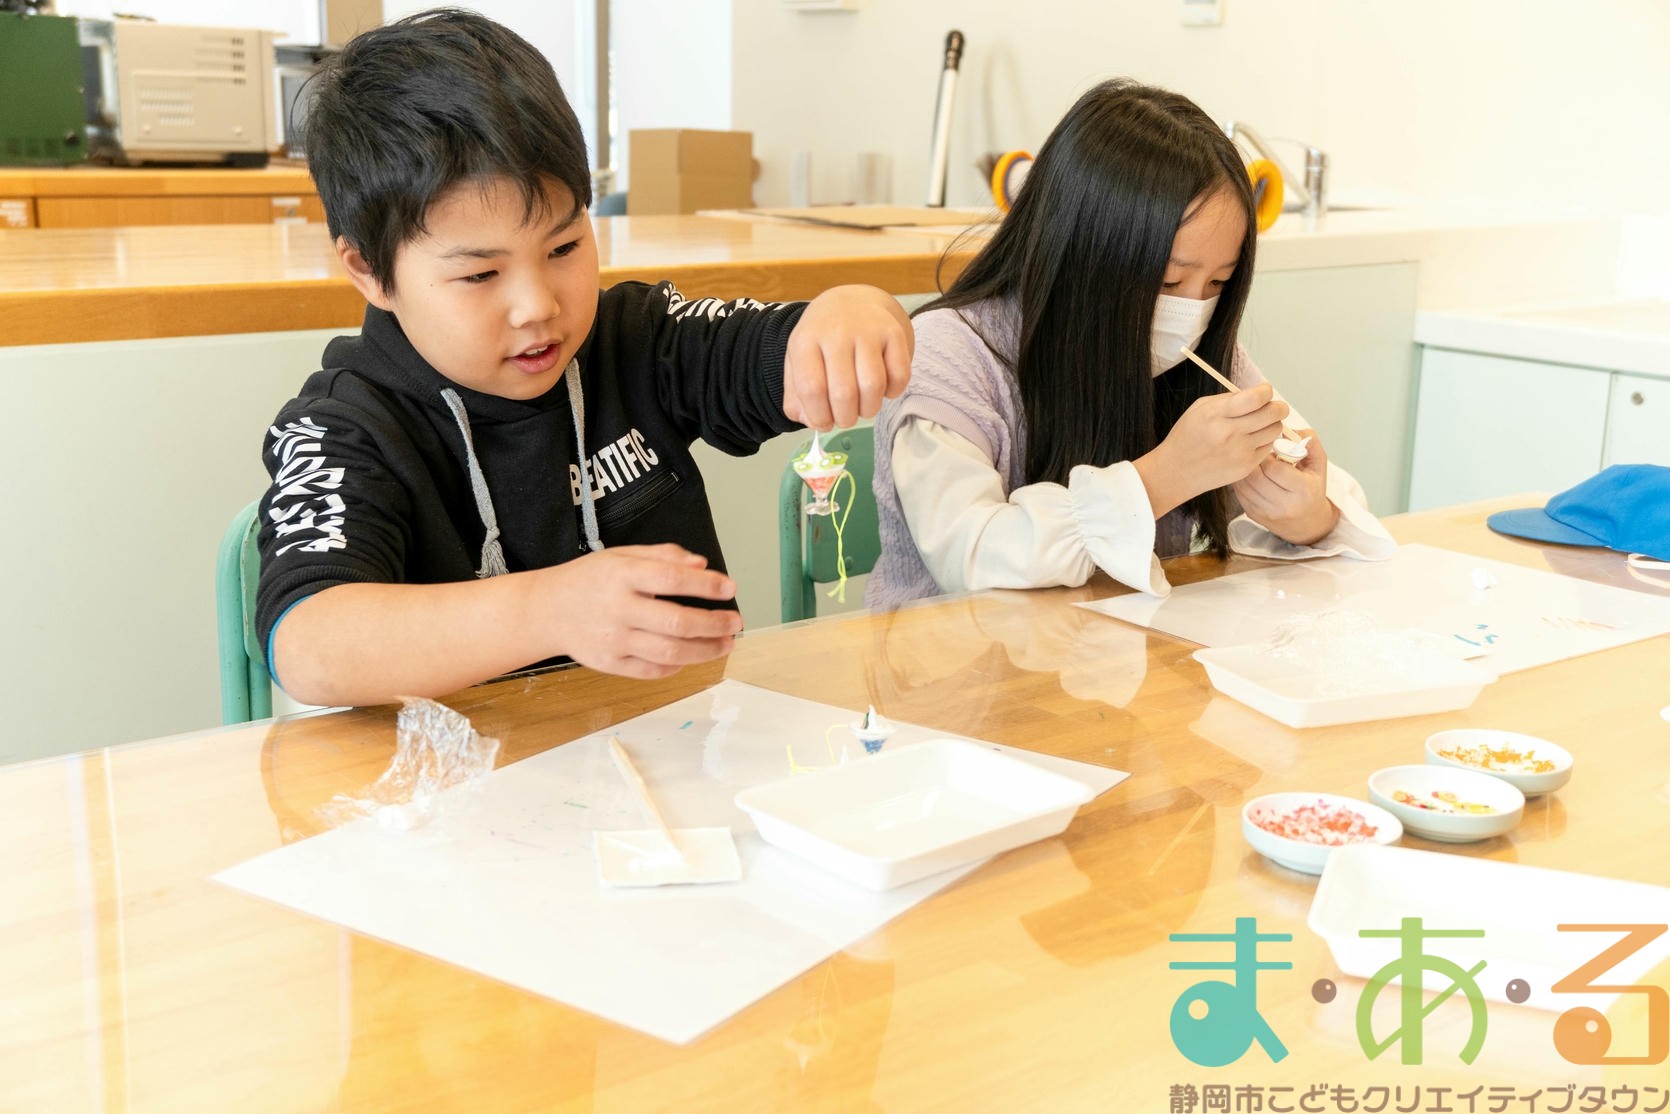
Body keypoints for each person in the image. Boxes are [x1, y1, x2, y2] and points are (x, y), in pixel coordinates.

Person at [256, 10, 912, 708]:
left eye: (564, 247)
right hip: (462, 772)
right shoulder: (344, 425)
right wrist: (548, 610)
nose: (538, 305)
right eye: (480, 275)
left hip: (676, 749)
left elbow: (785, 344)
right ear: (368, 270)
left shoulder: (641, 339)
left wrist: (853, 313)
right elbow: (308, 645)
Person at [867, 79, 1392, 609]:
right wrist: (1165, 477)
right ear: (1081, 250)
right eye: (1169, 282)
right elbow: (972, 557)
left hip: (1122, 654)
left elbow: (1327, 491)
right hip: (953, 656)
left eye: (1218, 282)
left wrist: (1309, 517)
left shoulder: (1203, 357)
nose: (1193, 310)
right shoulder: (951, 356)